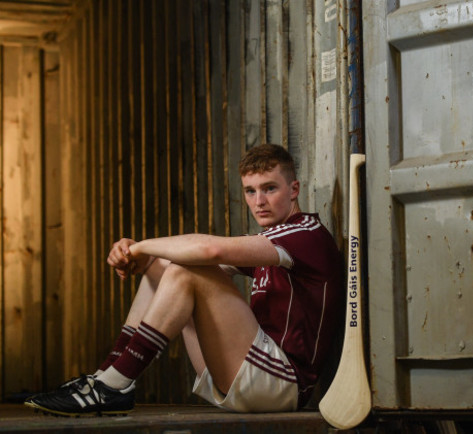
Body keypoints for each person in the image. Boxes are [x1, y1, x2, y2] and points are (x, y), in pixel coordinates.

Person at [25, 144, 345, 416]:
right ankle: (106, 377)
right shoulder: (273, 239)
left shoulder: (305, 236)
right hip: (251, 375)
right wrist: (140, 257)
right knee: (164, 265)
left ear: (294, 190)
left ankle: (112, 386)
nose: (259, 201)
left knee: (187, 267)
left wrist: (138, 246)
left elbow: (210, 249)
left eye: (270, 188)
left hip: (284, 383)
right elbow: (175, 260)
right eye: (250, 190)